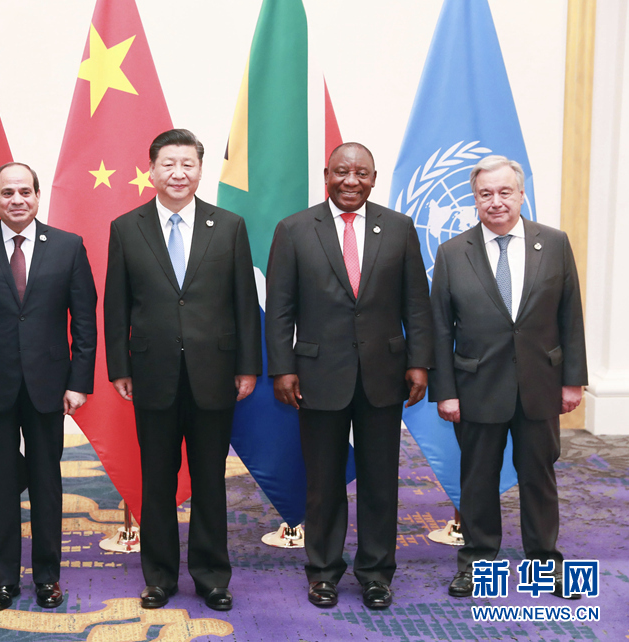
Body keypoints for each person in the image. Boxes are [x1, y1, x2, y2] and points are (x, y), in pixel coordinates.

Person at [265, 142, 433, 610]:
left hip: (384, 374)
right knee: (323, 483)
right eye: (342, 172)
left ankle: (376, 574)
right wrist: (282, 367)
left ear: (374, 179)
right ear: (327, 175)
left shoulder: (398, 228)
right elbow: (279, 310)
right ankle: (323, 572)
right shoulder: (294, 229)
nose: (351, 181)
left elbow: (416, 303)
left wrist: (420, 362)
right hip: (317, 375)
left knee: (381, 482)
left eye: (361, 173)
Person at [103, 129, 261, 611]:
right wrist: (119, 366)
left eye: (187, 164)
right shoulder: (126, 227)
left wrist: (248, 366)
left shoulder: (228, 226)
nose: (178, 173)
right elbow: (116, 304)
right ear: (151, 170)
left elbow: (244, 302)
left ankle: (212, 576)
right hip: (152, 374)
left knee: (210, 478)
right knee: (157, 480)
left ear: (199, 170)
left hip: (215, 373)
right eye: (168, 164)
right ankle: (159, 577)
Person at [428, 155, 587, 599]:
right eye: (485, 194)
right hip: (476, 387)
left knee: (539, 477)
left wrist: (572, 380)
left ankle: (545, 564)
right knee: (478, 480)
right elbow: (440, 329)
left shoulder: (553, 243)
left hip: (540, 384)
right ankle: (477, 563)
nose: (495, 201)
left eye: (504, 192)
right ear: (475, 199)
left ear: (521, 194)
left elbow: (570, 315)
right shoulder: (452, 252)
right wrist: (446, 392)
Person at [0, 162, 96, 612]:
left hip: (49, 386)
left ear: (37, 196)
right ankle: (4, 580)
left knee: (48, 484)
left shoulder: (68, 246)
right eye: (8, 192)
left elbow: (84, 322)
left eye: (25, 192)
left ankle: (48, 577)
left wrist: (79, 382)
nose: (17, 200)